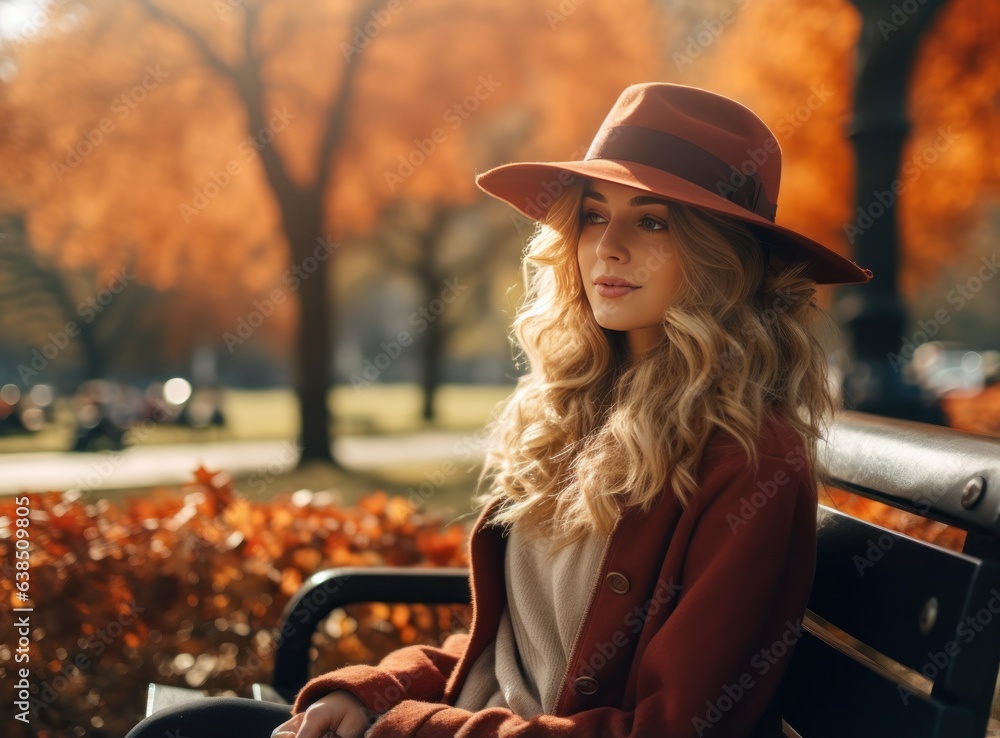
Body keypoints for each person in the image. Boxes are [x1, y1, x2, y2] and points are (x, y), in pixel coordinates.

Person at [126, 82, 871, 738]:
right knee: (185, 728)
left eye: (652, 222)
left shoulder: (747, 462)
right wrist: (378, 689)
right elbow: (516, 653)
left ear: (724, 256)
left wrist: (407, 727)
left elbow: (666, 729)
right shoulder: (584, 410)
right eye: (592, 215)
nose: (606, 247)